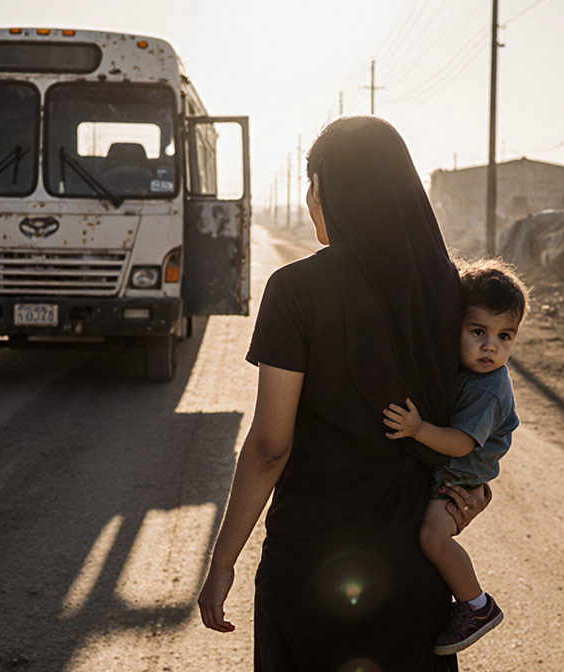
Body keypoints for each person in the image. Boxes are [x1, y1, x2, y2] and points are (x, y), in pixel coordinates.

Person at [197, 116, 491, 671]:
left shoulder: (296, 290)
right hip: (412, 570)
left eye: (313, 185)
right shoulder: (449, 291)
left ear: (325, 187)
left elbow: (269, 447)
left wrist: (222, 560)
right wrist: (471, 491)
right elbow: (480, 408)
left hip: (312, 565)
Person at [383, 258, 526, 655]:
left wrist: (417, 430)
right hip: (448, 469)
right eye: (478, 331)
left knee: (433, 535)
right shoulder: (462, 368)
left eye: (505, 336)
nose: (491, 346)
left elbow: (461, 443)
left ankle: (477, 605)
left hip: (460, 476)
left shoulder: (489, 387)